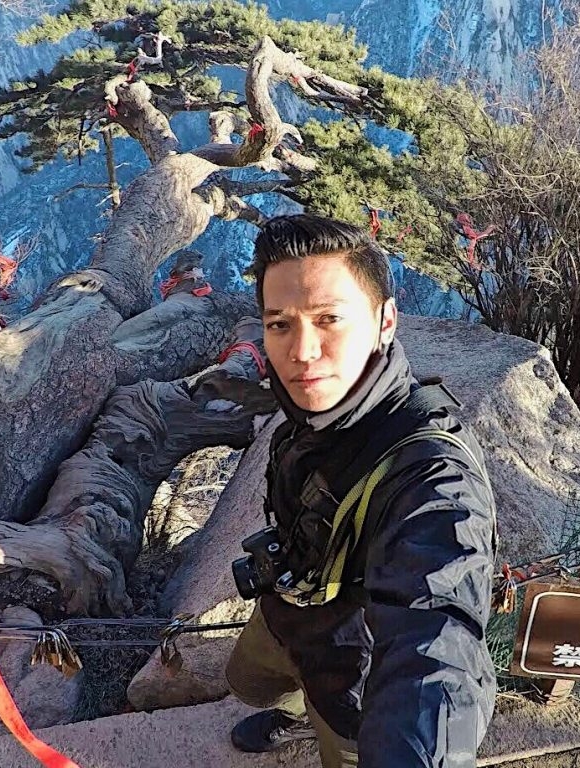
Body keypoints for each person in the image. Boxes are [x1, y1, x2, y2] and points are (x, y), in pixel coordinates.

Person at [225, 214, 497, 768]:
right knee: (247, 682)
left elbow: (435, 636)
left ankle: (317, 722)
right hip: (287, 611)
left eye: (328, 319)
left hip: (358, 680)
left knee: (342, 744)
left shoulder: (432, 473)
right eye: (280, 324)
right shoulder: (317, 417)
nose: (302, 351)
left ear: (385, 322)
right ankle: (293, 713)